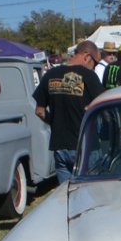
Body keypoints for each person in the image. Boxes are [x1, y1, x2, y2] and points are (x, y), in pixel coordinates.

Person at [32, 40, 105, 185]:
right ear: (87, 56)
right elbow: (103, 106)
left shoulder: (50, 75)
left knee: (67, 197)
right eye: (95, 63)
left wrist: (53, 121)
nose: (95, 68)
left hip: (60, 147)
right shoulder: (89, 76)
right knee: (92, 193)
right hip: (85, 146)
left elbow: (39, 111)